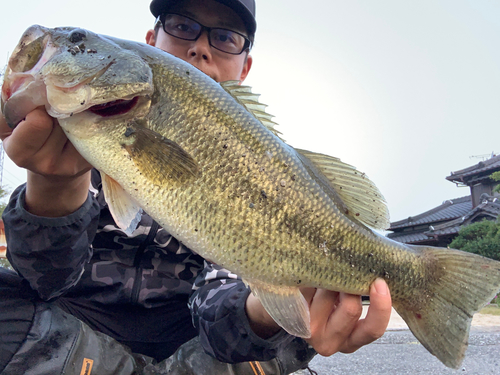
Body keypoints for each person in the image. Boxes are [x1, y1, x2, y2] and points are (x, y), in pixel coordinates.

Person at [0, 0, 393, 374]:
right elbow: (46, 282)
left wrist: (264, 310)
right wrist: (53, 187)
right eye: (182, 26)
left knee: (286, 335)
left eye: (225, 37)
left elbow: (223, 312)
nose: (201, 48)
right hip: (75, 339)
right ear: (149, 43)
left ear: (246, 65)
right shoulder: (77, 138)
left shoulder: (259, 170)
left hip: (193, 347)